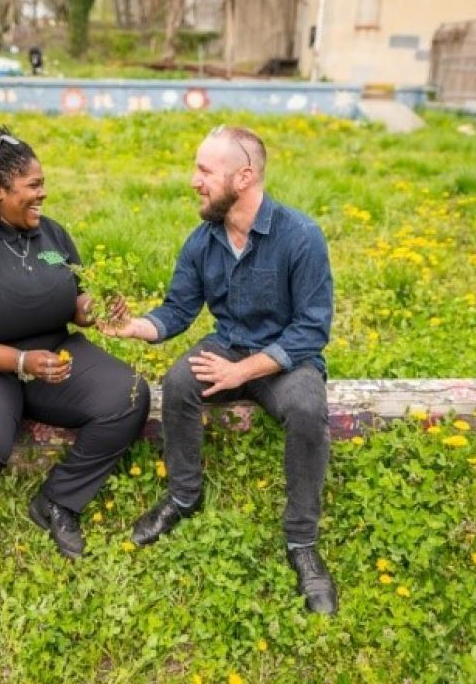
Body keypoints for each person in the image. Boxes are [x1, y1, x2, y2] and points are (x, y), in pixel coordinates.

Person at [103, 125, 337, 614]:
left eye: (206, 171)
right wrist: (133, 328)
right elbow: (176, 312)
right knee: (180, 382)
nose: (194, 180)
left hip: (284, 360)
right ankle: (184, 498)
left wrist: (242, 373)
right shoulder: (202, 241)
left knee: (308, 409)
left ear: (244, 177)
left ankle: (302, 542)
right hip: (227, 346)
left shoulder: (301, 237)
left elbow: (311, 330)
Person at [0, 126, 150, 573]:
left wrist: (95, 309)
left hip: (52, 356)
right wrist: (19, 362)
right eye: (33, 186)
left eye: (43, 183)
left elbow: (73, 301)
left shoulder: (52, 236)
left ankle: (57, 500)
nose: (44, 194)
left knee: (128, 396)